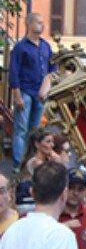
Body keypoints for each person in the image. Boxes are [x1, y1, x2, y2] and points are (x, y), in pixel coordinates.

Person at [9, 12, 54, 166]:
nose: (42, 25)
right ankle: (18, 163)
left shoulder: (46, 45)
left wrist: (46, 88)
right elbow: (13, 72)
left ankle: (31, 161)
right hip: (25, 91)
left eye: (43, 22)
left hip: (40, 94)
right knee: (21, 129)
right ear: (29, 24)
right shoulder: (20, 47)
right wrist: (17, 95)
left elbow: (51, 69)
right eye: (39, 22)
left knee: (35, 130)